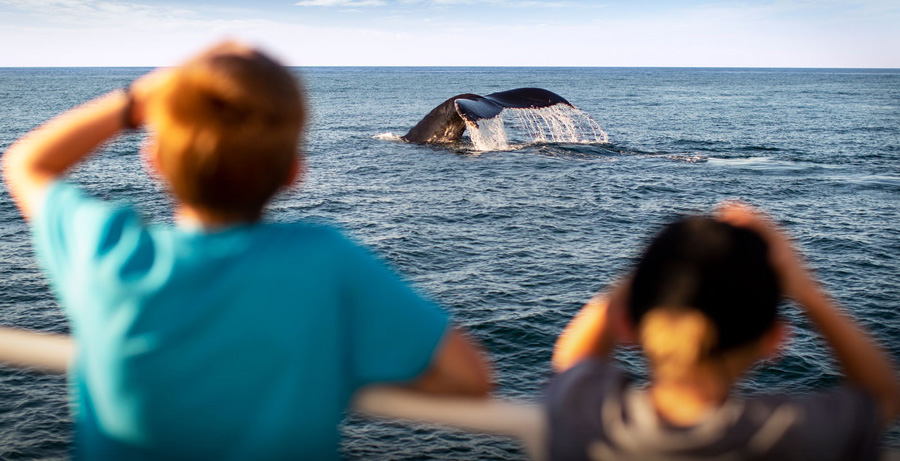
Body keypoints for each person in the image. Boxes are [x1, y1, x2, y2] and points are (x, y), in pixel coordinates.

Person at [2, 41, 492, 460]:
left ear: (153, 161)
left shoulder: (108, 250)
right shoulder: (324, 260)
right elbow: (468, 378)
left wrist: (136, 101)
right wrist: (330, 373)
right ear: (293, 174)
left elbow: (26, 163)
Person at [546, 202, 900, 460]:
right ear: (775, 340)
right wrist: (806, 290)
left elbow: (573, 358)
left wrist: (660, 268)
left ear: (625, 325)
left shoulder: (587, 418)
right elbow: (883, 397)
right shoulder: (798, 435)